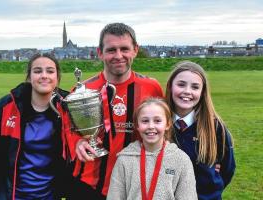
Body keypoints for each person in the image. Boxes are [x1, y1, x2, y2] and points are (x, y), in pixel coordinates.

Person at [67, 23, 164, 199]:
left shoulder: (152, 88)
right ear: (100, 52)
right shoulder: (82, 91)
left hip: (135, 187)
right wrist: (77, 143)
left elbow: (167, 128)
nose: (118, 56)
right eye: (111, 50)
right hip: (88, 187)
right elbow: (68, 130)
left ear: (135, 50)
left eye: (124, 49)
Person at [0, 53, 70, 199]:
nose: (44, 75)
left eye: (50, 71)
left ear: (57, 77)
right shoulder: (5, 108)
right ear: (29, 77)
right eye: (37, 71)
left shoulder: (69, 108)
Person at [165, 61, 236, 200]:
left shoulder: (215, 127)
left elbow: (228, 169)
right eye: (181, 84)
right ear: (170, 87)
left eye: (195, 87)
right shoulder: (159, 125)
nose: (187, 91)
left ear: (202, 92)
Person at [107, 98, 197, 200]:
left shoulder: (181, 160)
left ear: (167, 124)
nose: (151, 126)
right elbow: (114, 196)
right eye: (145, 121)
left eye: (157, 121)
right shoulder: (124, 159)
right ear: (137, 125)